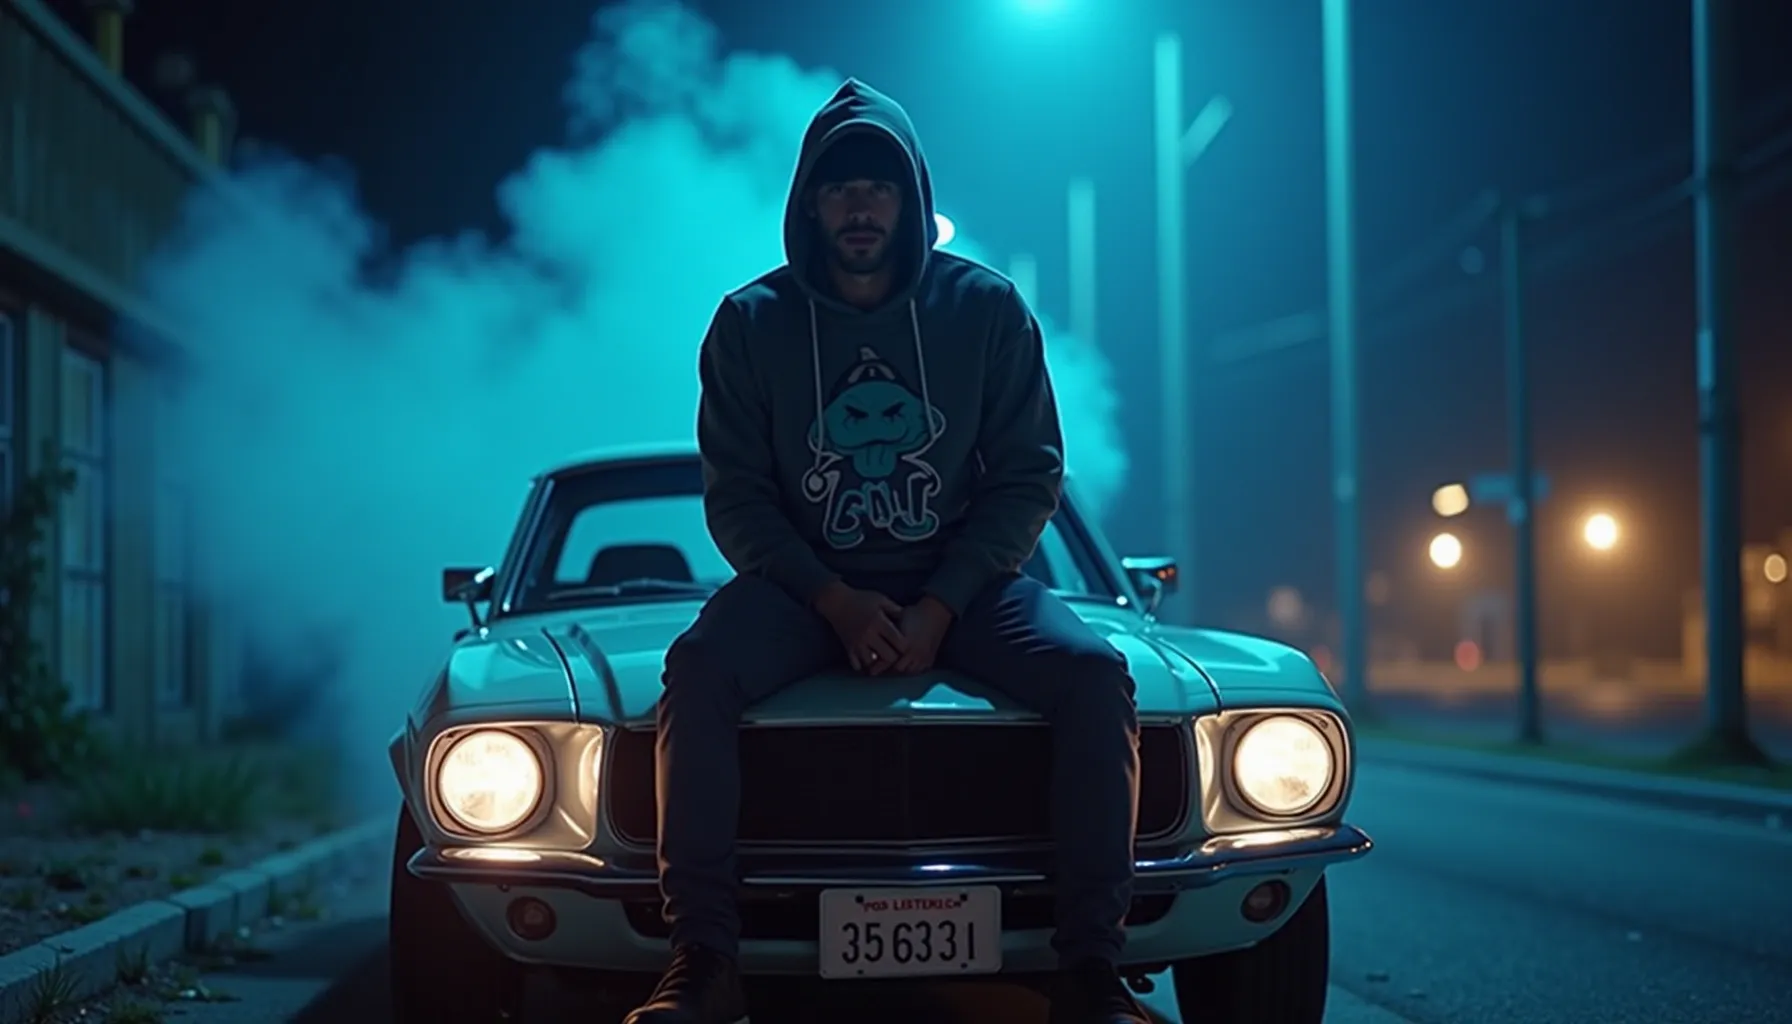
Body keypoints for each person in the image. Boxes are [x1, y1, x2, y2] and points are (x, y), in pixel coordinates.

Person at [624, 79, 1145, 1024]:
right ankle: (704, 961)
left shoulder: (986, 310)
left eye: (879, 186)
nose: (859, 205)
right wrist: (834, 600)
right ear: (809, 202)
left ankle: (1091, 970)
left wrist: (941, 604)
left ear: (910, 198)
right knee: (697, 669)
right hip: (801, 595)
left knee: (1094, 672)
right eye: (839, 187)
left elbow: (1028, 473)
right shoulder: (749, 323)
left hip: (968, 590)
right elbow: (737, 497)